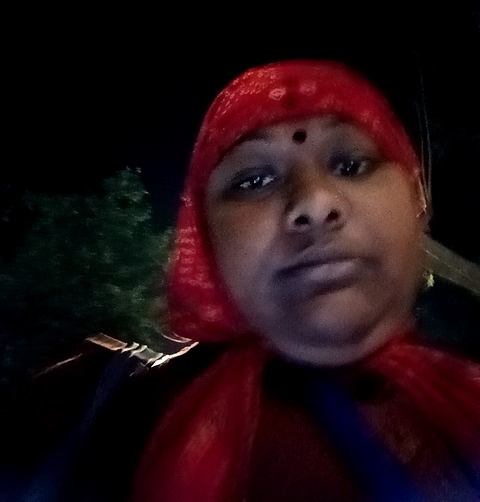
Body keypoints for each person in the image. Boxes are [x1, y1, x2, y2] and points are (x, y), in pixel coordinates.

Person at [2, 58, 480, 501]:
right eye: (254, 180)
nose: (314, 203)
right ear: (203, 234)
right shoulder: (113, 420)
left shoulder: (463, 400)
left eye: (350, 164)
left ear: (416, 197)